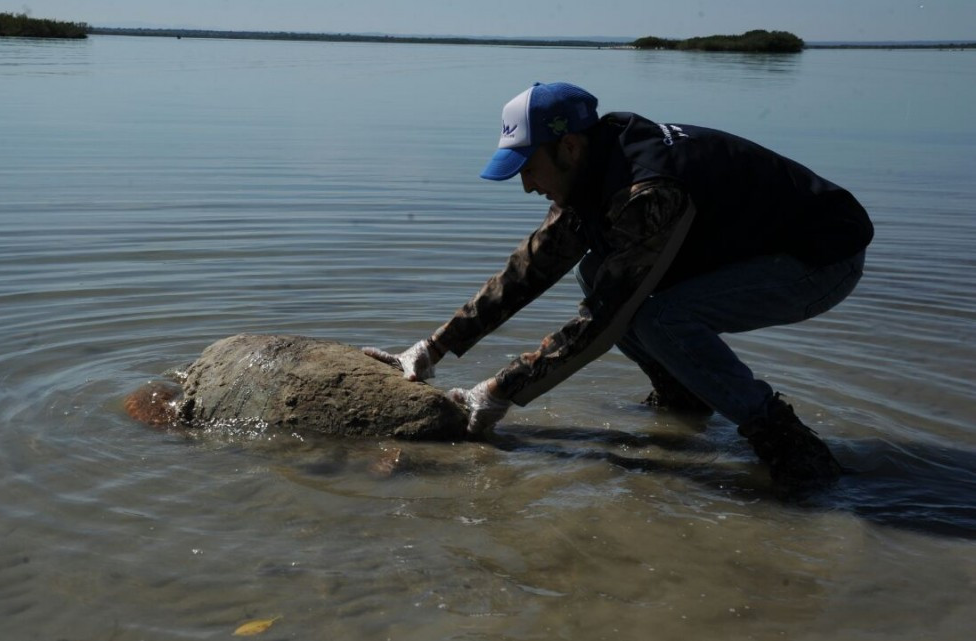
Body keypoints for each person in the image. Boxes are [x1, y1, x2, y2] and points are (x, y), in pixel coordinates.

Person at [364, 82, 873, 491]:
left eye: (528, 168)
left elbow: (605, 318)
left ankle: (790, 446)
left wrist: (497, 392)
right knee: (595, 273)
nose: (525, 185)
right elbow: (530, 270)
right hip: (748, 248)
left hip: (819, 260)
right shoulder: (591, 169)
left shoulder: (647, 191)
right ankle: (684, 401)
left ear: (568, 146)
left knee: (656, 315)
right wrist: (434, 347)